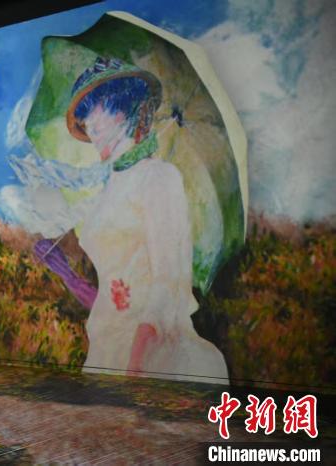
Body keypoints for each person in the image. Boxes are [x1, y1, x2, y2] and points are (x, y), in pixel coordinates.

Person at [36, 57, 228, 383]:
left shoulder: (159, 177)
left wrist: (136, 364)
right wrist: (65, 273)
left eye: (99, 108)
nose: (88, 123)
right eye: (85, 115)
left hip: (151, 355)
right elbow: (113, 298)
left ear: (125, 110)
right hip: (106, 351)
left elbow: (169, 280)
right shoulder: (108, 191)